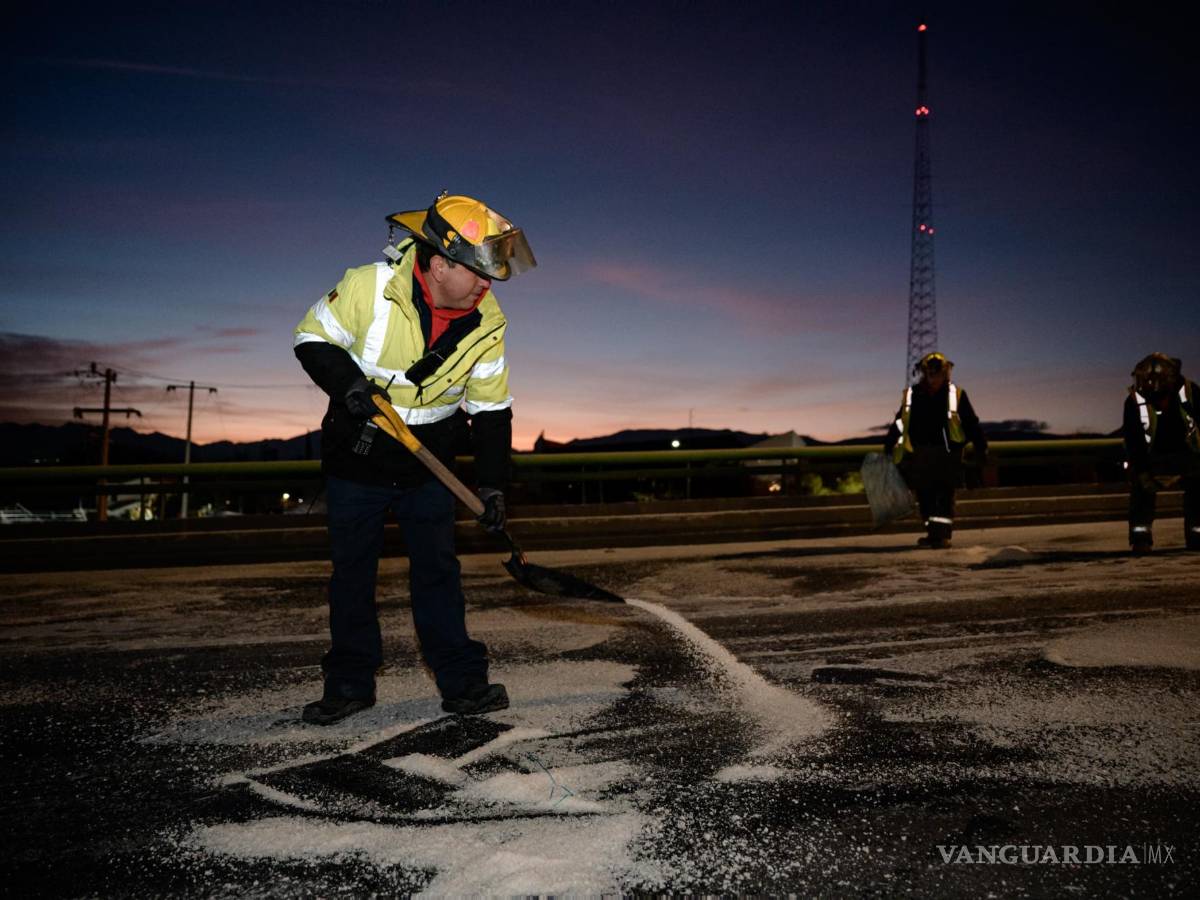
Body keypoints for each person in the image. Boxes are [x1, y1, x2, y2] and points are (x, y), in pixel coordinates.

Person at [292, 192, 536, 724]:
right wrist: (348, 384)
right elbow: (312, 337)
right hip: (358, 458)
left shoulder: (488, 319)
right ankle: (350, 684)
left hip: (431, 464)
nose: (486, 283)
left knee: (438, 573)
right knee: (352, 575)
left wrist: (493, 485)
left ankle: (464, 684)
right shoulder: (367, 287)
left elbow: (492, 409)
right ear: (441, 264)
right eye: (476, 271)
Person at [883, 352, 987, 549]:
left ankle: (942, 536)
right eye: (931, 374)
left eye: (938, 374)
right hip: (922, 453)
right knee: (924, 496)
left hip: (949, 454)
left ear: (945, 373)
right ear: (924, 373)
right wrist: (889, 442)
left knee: (945, 496)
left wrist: (981, 447)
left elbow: (971, 422)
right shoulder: (913, 395)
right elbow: (900, 420)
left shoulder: (956, 394)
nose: (934, 378)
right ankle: (932, 534)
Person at [1122, 353, 1200, 554]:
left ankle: (1197, 537)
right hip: (1152, 459)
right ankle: (1141, 539)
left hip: (1191, 457)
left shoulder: (1192, 394)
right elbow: (1134, 442)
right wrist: (1142, 471)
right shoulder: (1133, 402)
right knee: (1141, 487)